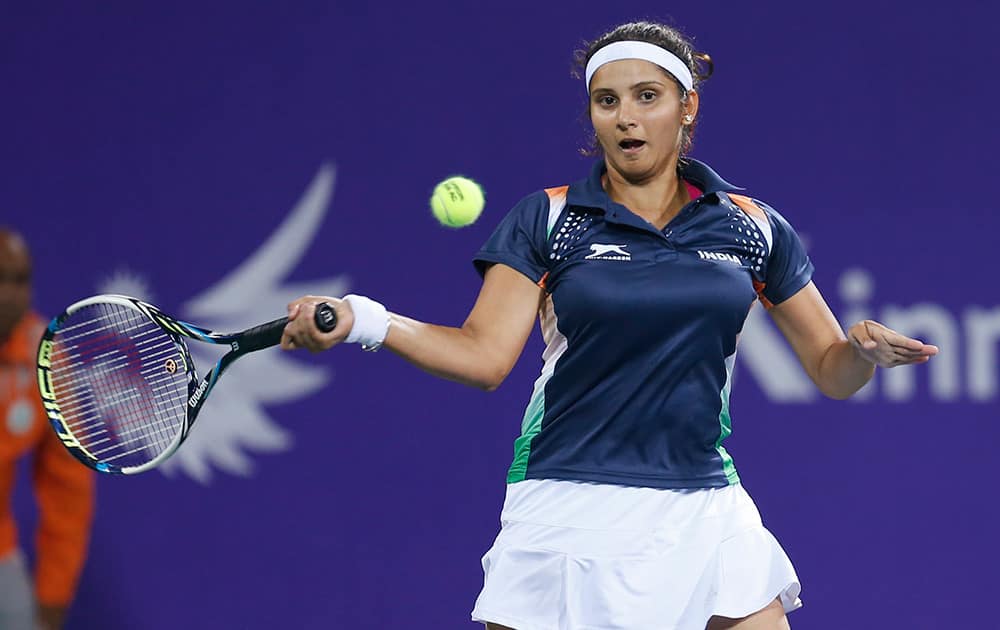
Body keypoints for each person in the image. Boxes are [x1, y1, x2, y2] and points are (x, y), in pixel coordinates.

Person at [279, 20, 938, 630]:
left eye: (647, 96)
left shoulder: (751, 224)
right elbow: (483, 358)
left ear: (688, 108)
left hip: (703, 504)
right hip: (567, 501)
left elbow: (831, 370)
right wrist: (366, 319)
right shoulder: (548, 219)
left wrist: (861, 353)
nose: (625, 118)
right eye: (607, 101)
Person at [0, 228, 94, 630]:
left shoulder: (48, 360)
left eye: (19, 280)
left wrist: (53, 596)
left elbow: (67, 490)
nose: (8, 294)